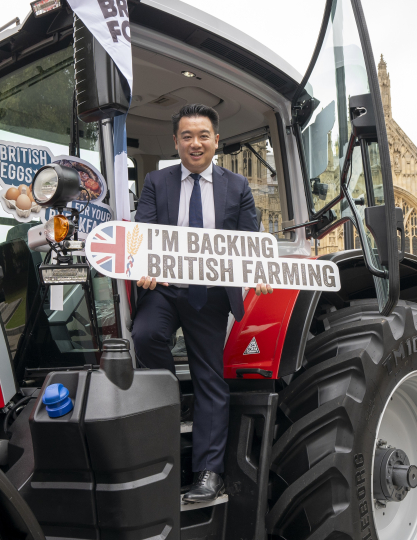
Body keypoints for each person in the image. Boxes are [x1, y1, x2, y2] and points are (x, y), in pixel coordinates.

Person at [132, 103, 272, 503]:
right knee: (145, 335)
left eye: (203, 136)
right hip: (165, 289)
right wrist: (143, 264)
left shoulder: (237, 187)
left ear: (216, 142)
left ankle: (209, 474)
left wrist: (258, 270)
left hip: (210, 295)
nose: (196, 143)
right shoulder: (156, 182)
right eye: (187, 136)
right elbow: (142, 232)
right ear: (176, 142)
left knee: (211, 378)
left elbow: (250, 241)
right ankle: (169, 402)